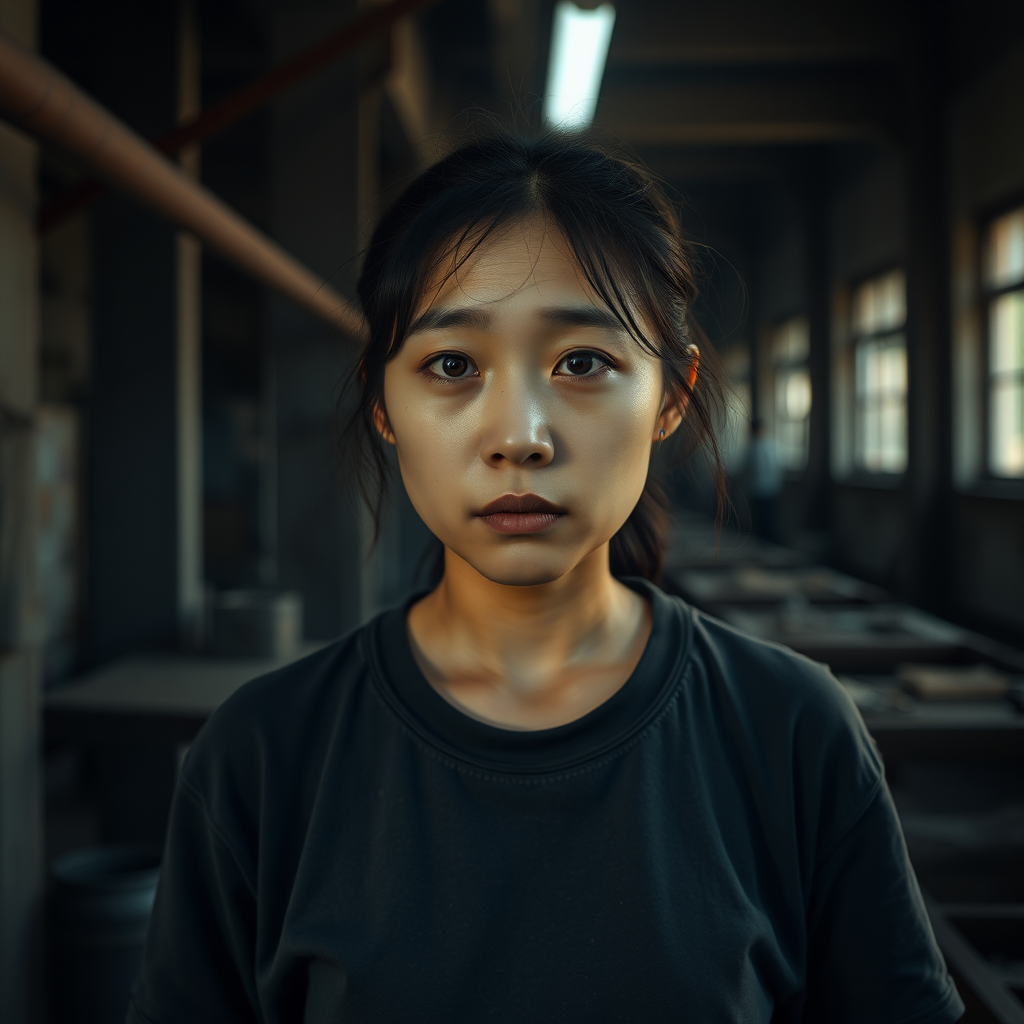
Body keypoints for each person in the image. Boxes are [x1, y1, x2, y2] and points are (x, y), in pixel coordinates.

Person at [128, 131, 963, 1024]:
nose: (520, 434)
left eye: (584, 363)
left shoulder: (792, 732)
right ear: (382, 401)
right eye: (452, 365)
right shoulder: (263, 755)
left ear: (672, 395)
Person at [744, 416, 783, 543]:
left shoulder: (769, 446)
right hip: (759, 491)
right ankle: (761, 543)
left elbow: (777, 468)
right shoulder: (752, 448)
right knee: (760, 521)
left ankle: (766, 543)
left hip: (769, 490)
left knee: (767, 521)